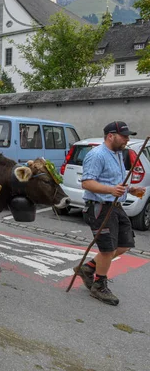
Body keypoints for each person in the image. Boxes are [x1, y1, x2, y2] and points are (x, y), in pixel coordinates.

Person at [75, 121, 145, 306]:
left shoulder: (118, 154)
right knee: (107, 249)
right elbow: (87, 183)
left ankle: (87, 268)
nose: (127, 139)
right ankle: (99, 286)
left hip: (115, 206)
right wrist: (110, 190)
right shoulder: (97, 155)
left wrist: (130, 189)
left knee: (124, 244)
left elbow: (116, 183)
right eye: (124, 136)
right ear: (111, 136)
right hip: (100, 206)